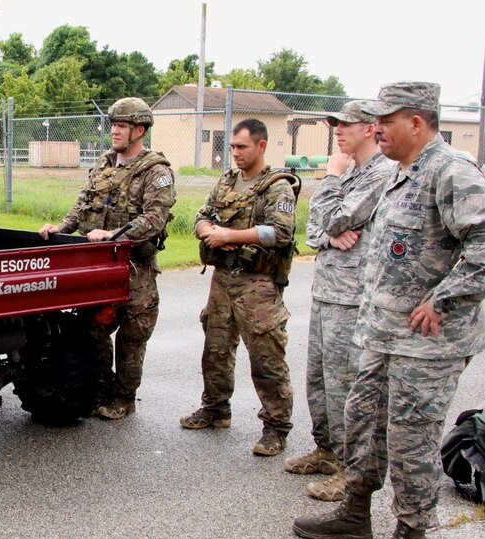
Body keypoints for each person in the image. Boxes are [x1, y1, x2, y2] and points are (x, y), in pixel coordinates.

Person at [293, 82, 485, 539]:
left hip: (427, 346)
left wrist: (445, 298)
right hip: (383, 335)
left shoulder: (449, 170)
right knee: (362, 423)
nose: (376, 130)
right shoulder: (400, 174)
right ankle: (355, 514)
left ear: (416, 122)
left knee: (409, 441)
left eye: (386, 121)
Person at [283, 101, 394, 501]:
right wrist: (331, 235)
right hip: (327, 292)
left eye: (346, 125)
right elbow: (314, 229)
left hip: (354, 298)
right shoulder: (353, 173)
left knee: (346, 386)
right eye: (336, 124)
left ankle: (351, 470)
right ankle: (327, 450)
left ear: (369, 129)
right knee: (319, 380)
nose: (338, 131)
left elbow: (333, 218)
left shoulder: (380, 174)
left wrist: (330, 180)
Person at [38, 97, 175, 420]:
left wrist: (114, 235)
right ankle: (100, 388)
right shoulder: (104, 164)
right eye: (113, 125)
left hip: (134, 268)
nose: (114, 131)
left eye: (122, 126)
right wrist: (61, 227)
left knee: (132, 337)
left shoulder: (155, 171)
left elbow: (154, 219)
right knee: (91, 331)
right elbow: (83, 203)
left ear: (139, 130)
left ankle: (124, 399)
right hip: (98, 267)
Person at [180, 118, 298, 456]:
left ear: (261, 146)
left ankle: (275, 428)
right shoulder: (227, 181)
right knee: (216, 347)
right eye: (232, 147)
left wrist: (230, 235)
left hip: (257, 283)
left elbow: (282, 232)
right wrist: (209, 231)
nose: (235, 153)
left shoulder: (277, 186)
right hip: (223, 279)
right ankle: (216, 408)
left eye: (241, 147)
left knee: (265, 357)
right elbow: (200, 217)